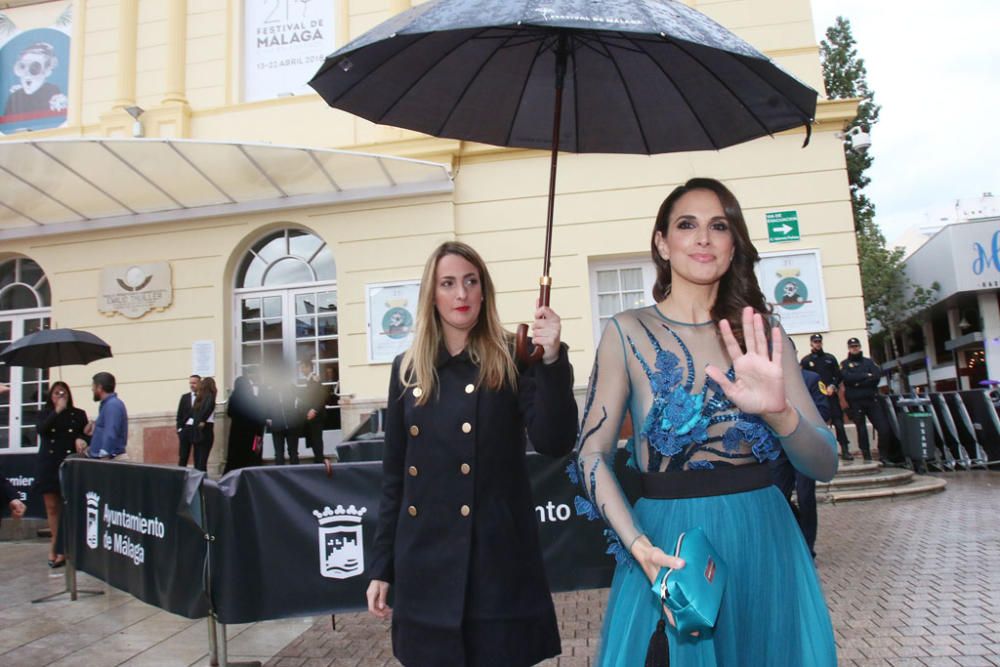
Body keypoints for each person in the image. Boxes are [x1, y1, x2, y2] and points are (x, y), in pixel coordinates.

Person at [573, 178, 838, 666]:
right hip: (666, 550)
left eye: (719, 225)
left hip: (765, 542)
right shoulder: (627, 332)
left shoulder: (764, 333)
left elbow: (824, 463)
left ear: (734, 242)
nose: (703, 238)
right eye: (686, 224)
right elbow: (591, 454)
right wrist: (638, 546)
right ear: (662, 242)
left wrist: (780, 414)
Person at [367, 241, 579, 667]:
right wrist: (381, 567)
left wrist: (552, 358)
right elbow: (395, 478)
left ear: (484, 292)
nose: (461, 295)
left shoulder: (513, 357)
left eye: (470, 282)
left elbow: (555, 441)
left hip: (496, 566)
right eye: (448, 284)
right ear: (432, 294)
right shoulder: (406, 369)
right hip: (424, 565)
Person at [770, 368, 828, 558]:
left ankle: (807, 548)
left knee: (805, 497)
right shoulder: (770, 378)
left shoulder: (811, 379)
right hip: (779, 448)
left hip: (804, 447)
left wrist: (796, 419)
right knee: (779, 497)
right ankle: (798, 530)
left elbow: (823, 410)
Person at [33, 382, 88, 567]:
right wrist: (56, 411)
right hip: (49, 464)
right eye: (56, 393)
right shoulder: (45, 413)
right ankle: (55, 547)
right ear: (51, 396)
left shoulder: (78, 414)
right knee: (52, 508)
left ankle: (68, 547)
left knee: (69, 506)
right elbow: (41, 430)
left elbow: (85, 433)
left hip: (69, 464)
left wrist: (83, 439)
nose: (60, 396)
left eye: (63, 393)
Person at [839, 337, 902, 464]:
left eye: (856, 346)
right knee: (861, 430)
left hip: (871, 400)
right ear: (848, 348)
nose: (854, 348)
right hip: (855, 402)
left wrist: (858, 382)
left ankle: (883, 455)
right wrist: (865, 376)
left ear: (860, 347)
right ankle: (866, 456)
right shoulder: (845, 364)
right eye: (852, 347)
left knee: (884, 429)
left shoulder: (869, 362)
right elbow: (847, 378)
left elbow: (876, 377)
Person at [800, 333, 852, 460]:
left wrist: (833, 386)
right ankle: (819, 451)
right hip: (816, 398)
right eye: (815, 342)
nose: (818, 344)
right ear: (811, 343)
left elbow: (838, 375)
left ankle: (845, 449)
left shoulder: (830, 358)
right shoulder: (806, 361)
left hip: (831, 396)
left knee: (838, 423)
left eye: (819, 341)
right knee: (817, 425)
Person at [80, 372, 128, 459]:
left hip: (110, 459)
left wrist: (104, 454)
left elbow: (111, 431)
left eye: (93, 386)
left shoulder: (112, 405)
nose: (92, 389)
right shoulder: (108, 404)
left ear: (99, 388)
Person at [224, 376, 266, 473]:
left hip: (237, 433)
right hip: (252, 433)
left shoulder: (233, 398)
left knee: (236, 457)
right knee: (252, 457)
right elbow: (259, 416)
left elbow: (229, 413)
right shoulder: (254, 399)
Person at [265, 374, 300, 465]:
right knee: (280, 454)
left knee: (292, 453)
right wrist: (268, 418)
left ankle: (294, 474)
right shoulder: (271, 391)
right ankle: (281, 475)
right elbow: (266, 406)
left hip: (291, 424)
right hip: (278, 425)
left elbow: (300, 401)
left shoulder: (292, 388)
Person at [298, 359, 327, 464]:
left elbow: (320, 396)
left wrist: (314, 410)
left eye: (302, 367)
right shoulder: (309, 380)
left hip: (316, 415)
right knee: (313, 438)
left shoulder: (315, 379)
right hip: (311, 414)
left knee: (316, 438)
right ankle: (318, 458)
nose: (300, 370)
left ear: (308, 367)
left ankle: (319, 460)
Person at [190, 377, 217, 472]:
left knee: (198, 458)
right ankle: (203, 481)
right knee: (203, 458)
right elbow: (208, 409)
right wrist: (203, 420)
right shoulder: (210, 396)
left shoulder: (198, 398)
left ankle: (197, 479)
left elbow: (193, 413)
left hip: (196, 429)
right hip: (206, 428)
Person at [176, 375, 201, 468]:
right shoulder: (185, 397)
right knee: (183, 456)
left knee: (197, 456)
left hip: (197, 429)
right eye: (190, 383)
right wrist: (179, 429)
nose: (192, 385)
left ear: (199, 383)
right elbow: (179, 414)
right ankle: (180, 476)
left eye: (194, 383)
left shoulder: (203, 397)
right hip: (185, 429)